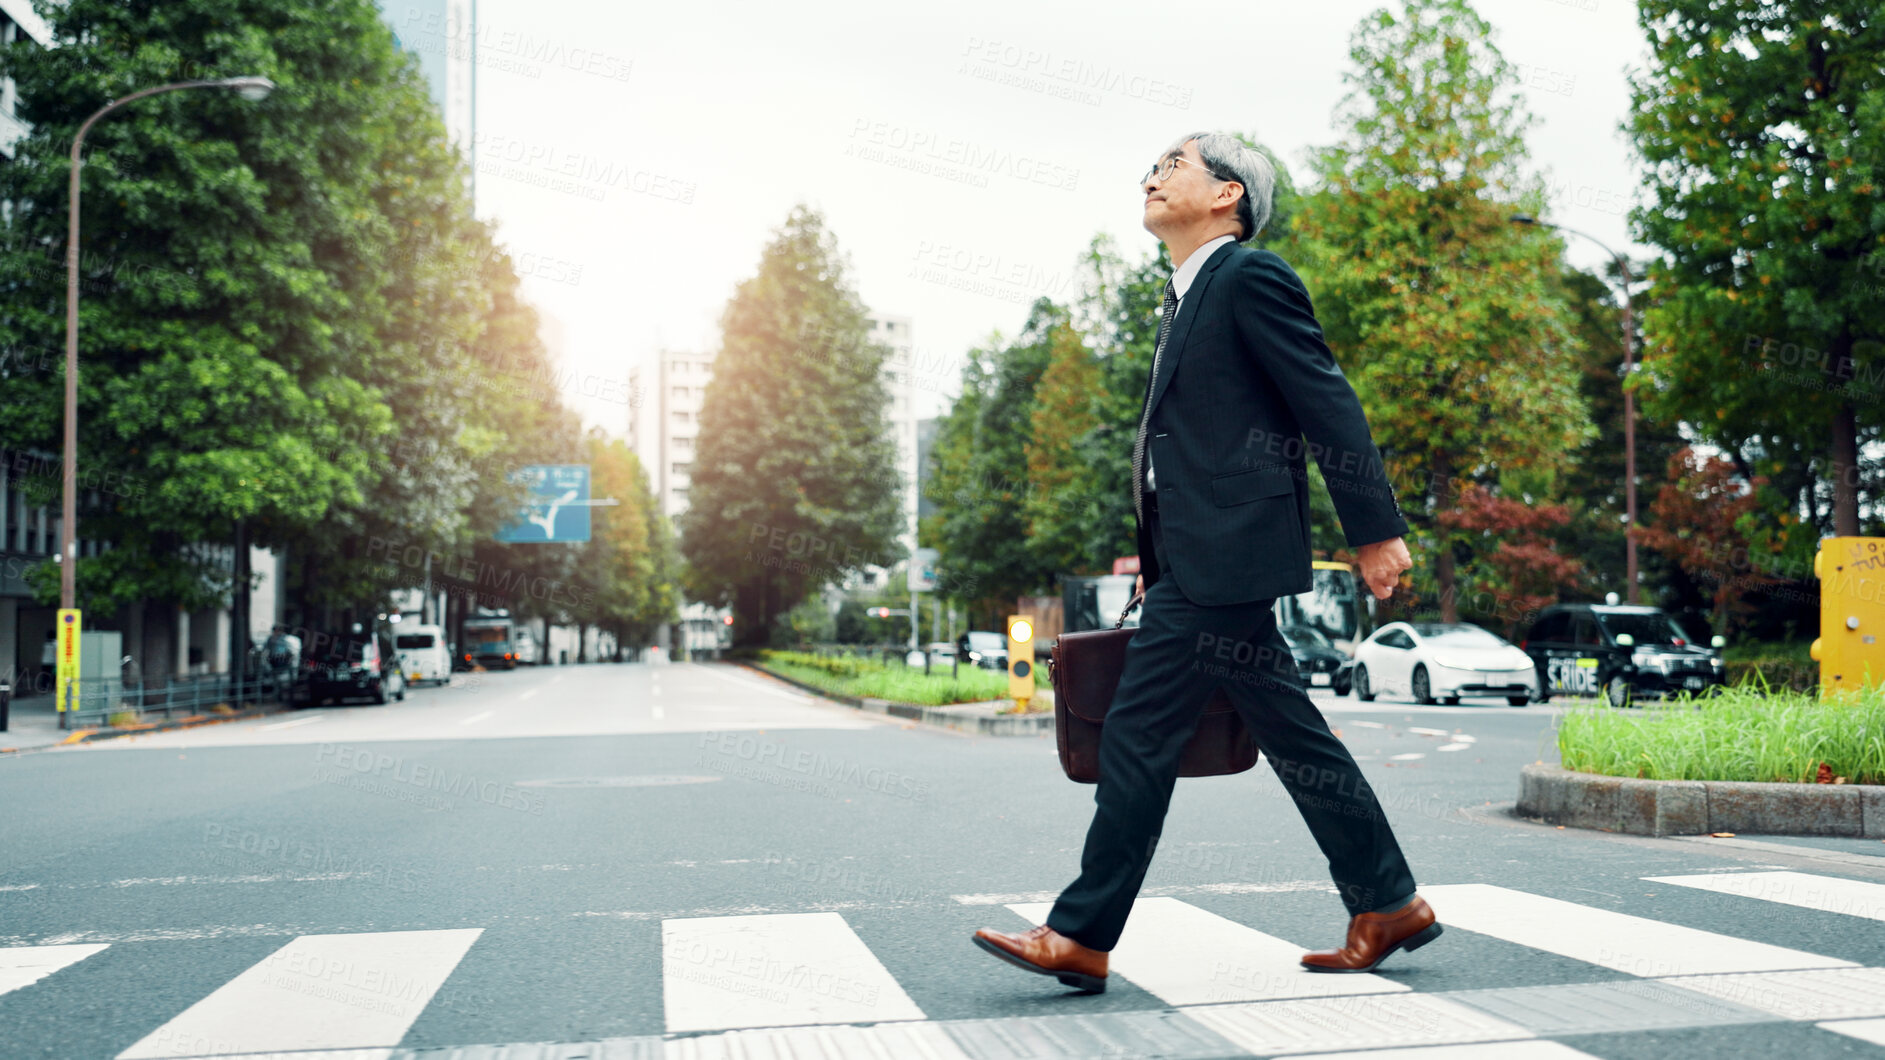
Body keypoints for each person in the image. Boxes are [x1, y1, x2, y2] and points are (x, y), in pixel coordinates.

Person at [973, 132, 1436, 994]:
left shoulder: (1247, 277)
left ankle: (1079, 932)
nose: (1150, 175)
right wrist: (1157, 555)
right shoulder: (1181, 298)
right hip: (1200, 560)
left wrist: (1372, 528)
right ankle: (1387, 902)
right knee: (1294, 736)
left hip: (1228, 556)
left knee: (1139, 735)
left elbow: (1322, 395)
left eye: (1172, 165)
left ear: (1227, 195)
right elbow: (1183, 448)